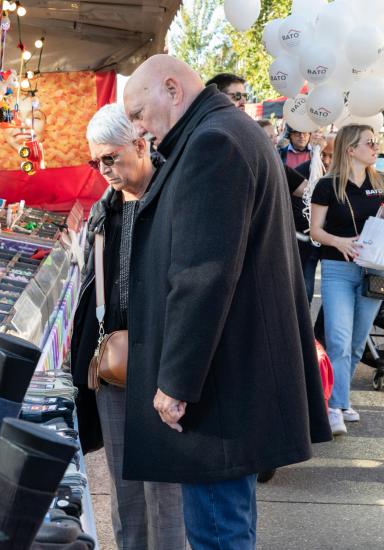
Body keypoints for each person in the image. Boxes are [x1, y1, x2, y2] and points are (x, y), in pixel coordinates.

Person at [122, 55, 332, 549]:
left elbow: (203, 276)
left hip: (218, 387)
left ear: (172, 88)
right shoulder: (227, 132)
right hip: (231, 376)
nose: (137, 126)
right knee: (226, 526)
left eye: (137, 112)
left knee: (218, 532)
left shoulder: (213, 142)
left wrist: (175, 381)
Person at [69, 104, 185, 550]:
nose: (103, 170)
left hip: (164, 364)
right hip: (115, 365)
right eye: (95, 161)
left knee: (166, 490)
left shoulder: (175, 193)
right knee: (124, 487)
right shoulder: (106, 208)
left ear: (140, 144)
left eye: (109, 158)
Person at [309, 124, 384, 436]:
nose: (375, 146)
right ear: (350, 148)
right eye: (369, 142)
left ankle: (341, 400)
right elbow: (316, 231)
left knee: (355, 343)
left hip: (373, 272)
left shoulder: (379, 183)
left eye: (376, 141)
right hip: (337, 268)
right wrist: (339, 242)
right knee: (338, 339)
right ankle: (334, 407)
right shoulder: (327, 185)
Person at [295, 133, 336, 303]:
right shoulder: (302, 172)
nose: (326, 160)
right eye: (322, 155)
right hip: (307, 242)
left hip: (335, 243)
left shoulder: (345, 175)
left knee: (334, 296)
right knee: (305, 289)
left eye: (331, 156)